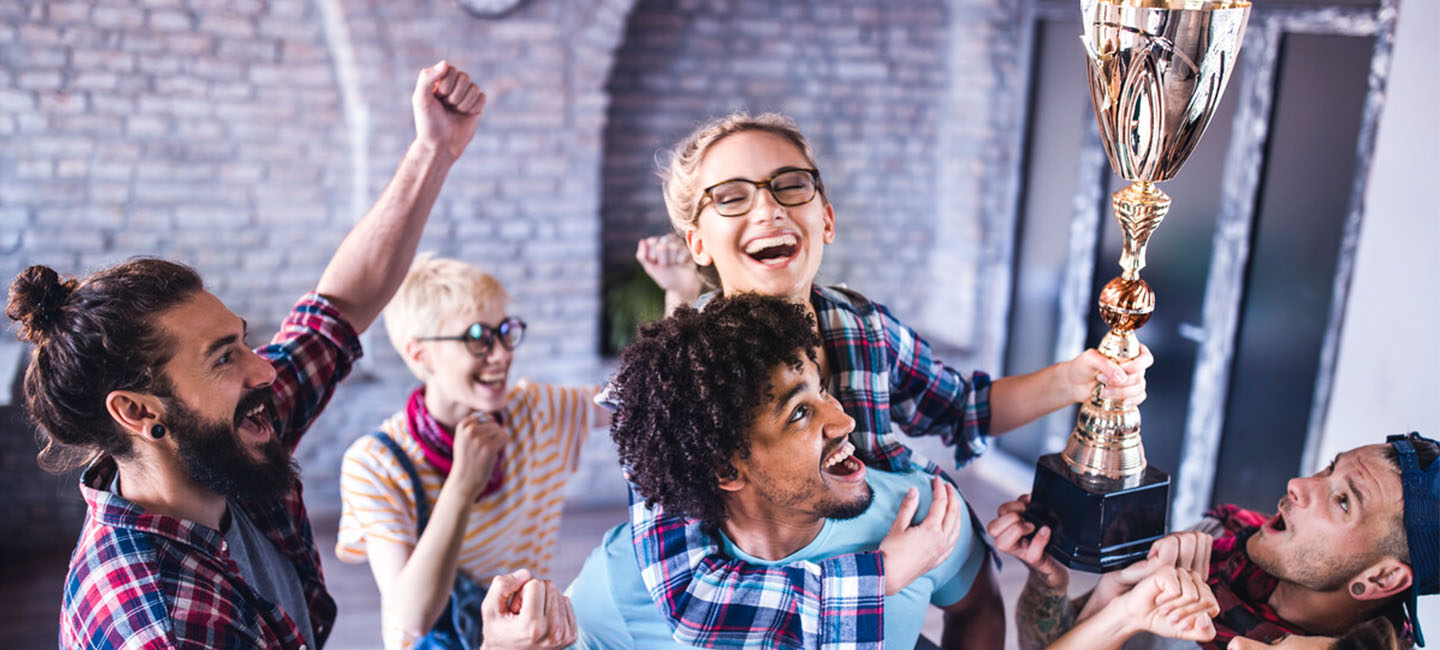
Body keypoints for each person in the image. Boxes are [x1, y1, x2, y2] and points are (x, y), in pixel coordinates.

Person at [6, 61, 568, 650]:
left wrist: (435, 150)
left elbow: (338, 310)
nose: (265, 369)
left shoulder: (221, 440)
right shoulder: (161, 626)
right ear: (140, 413)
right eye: (224, 358)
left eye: (242, 341)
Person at [625, 111, 1154, 648]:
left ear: (826, 220)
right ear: (697, 243)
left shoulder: (863, 328)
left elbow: (966, 405)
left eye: (791, 185)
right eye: (732, 197)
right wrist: (883, 576)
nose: (768, 207)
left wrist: (1076, 379)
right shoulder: (676, 389)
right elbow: (693, 599)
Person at [569, 292, 980, 650]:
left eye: (822, 391)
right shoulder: (624, 580)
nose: (843, 422)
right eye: (799, 413)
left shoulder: (924, 516)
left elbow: (979, 610)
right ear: (727, 470)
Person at [335, 254, 610, 649]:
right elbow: (412, 616)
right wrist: (463, 484)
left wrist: (677, 292)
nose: (500, 354)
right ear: (419, 354)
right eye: (478, 338)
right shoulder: (374, 464)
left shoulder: (536, 411)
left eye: (505, 331)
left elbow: (640, 400)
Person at [991, 432, 1438, 650]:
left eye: (1342, 501)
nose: (1300, 484)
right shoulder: (1223, 540)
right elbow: (1042, 644)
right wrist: (1058, 584)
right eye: (1327, 468)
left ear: (1381, 577)